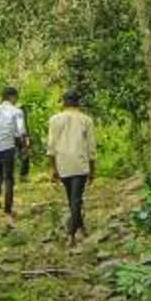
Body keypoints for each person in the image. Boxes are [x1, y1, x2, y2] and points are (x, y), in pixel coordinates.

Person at [45, 89, 95, 242]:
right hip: (80, 163)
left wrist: (53, 169)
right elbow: (91, 147)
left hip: (62, 163)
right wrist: (93, 169)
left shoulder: (54, 120)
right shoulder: (86, 120)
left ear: (64, 103)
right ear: (78, 103)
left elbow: (51, 147)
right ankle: (72, 232)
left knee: (72, 198)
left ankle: (78, 227)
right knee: (76, 199)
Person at [0, 85, 27, 218]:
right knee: (8, 177)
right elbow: (21, 132)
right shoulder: (17, 111)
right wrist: (24, 147)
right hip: (8, 147)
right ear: (12, 97)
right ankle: (8, 208)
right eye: (16, 97)